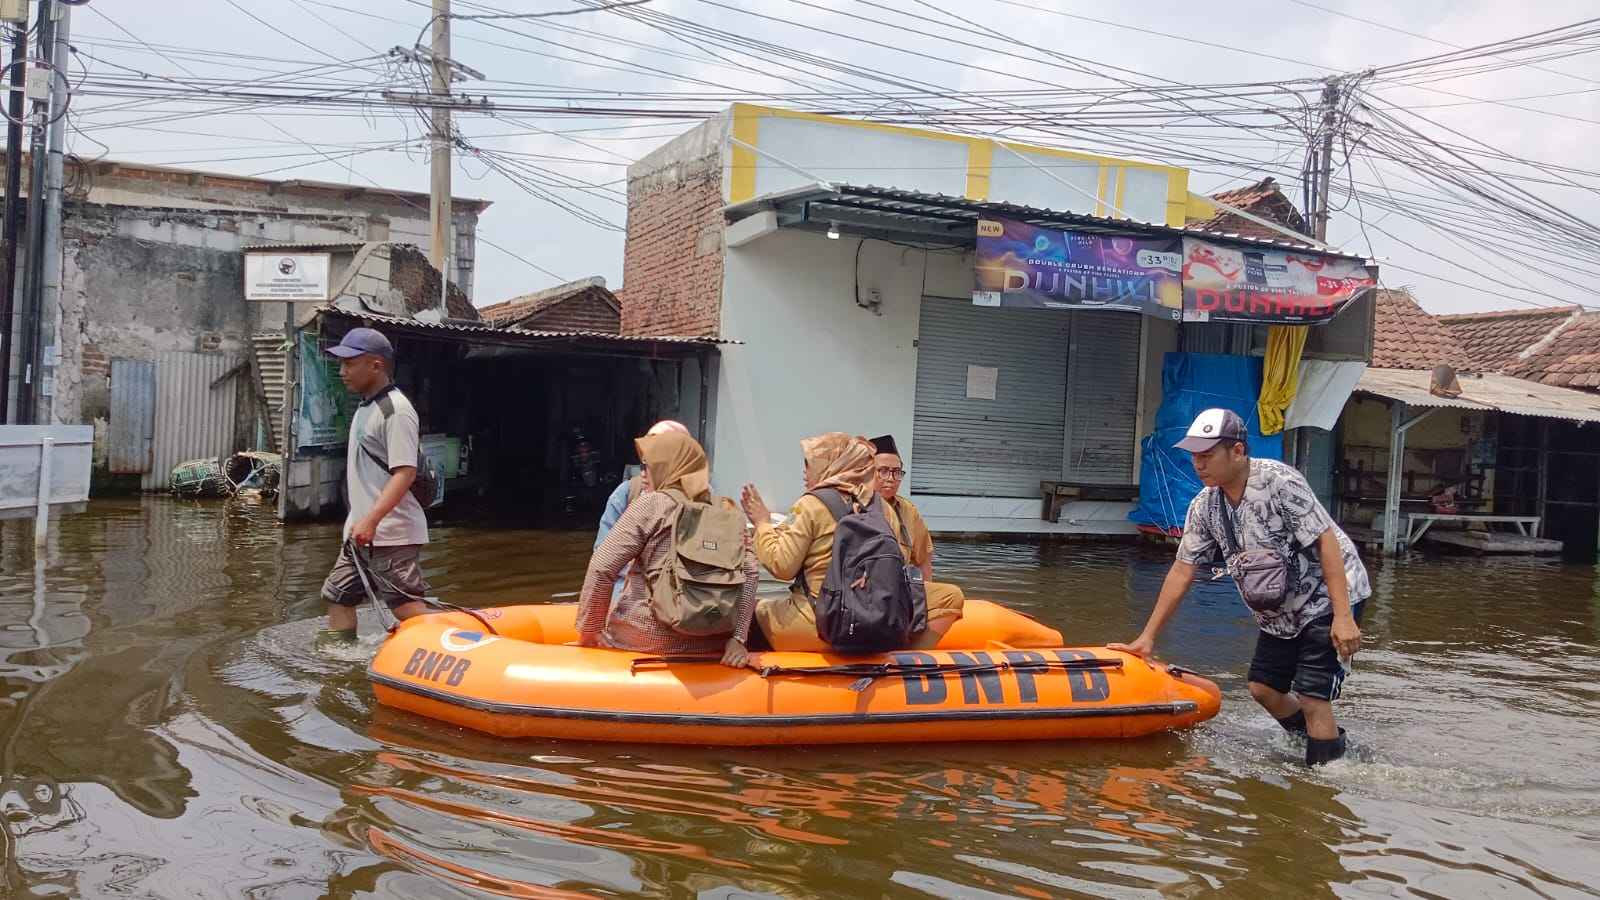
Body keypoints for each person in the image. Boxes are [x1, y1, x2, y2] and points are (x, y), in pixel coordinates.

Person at [1109, 408, 1370, 766]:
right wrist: (1147, 637)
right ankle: (1320, 745)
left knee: (1312, 697)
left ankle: (1325, 781)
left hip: (1326, 594)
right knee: (1263, 689)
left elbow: (1325, 541)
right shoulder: (1204, 506)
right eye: (1195, 456)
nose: (1198, 465)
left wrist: (1343, 617)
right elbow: (1183, 569)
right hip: (1278, 606)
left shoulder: (1280, 482)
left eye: (1207, 455)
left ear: (1238, 451)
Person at [740, 433, 961, 651]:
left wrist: (762, 525)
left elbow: (782, 567)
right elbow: (896, 568)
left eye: (809, 464)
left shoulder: (810, 505)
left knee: (750, 608)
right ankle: (904, 658)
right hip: (880, 618)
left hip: (819, 624)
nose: (805, 472)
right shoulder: (882, 507)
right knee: (952, 596)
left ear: (829, 465)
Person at [577, 430, 755, 667]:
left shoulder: (652, 504)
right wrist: (738, 638)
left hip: (643, 640)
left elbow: (602, 565)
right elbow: (750, 573)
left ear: (668, 467)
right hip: (712, 643)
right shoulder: (728, 512)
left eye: (649, 466)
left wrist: (591, 630)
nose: (644, 474)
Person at [316, 328, 430, 648]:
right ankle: (339, 659)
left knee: (408, 607)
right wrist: (358, 523)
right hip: (361, 534)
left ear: (377, 366)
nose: (342, 371)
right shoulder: (367, 407)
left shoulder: (396, 410)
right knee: (338, 596)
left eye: (350, 363)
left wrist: (372, 520)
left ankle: (460, 652)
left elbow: (405, 472)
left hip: (390, 532)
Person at [869, 434, 965, 644]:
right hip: (865, 592)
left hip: (898, 590)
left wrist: (923, 605)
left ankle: (913, 656)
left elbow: (923, 560)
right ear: (868, 471)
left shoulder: (908, 512)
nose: (891, 478)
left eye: (896, 472)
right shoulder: (855, 507)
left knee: (952, 595)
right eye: (883, 471)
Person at [595, 420, 693, 597]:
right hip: (631, 602)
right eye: (644, 463)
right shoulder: (626, 495)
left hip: (688, 604)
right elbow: (603, 565)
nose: (645, 472)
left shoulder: (705, 502)